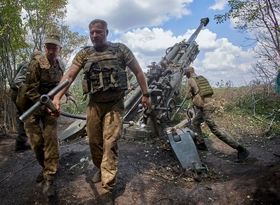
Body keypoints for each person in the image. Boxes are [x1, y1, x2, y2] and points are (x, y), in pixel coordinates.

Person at [52, 19, 151, 202]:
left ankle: (108, 186)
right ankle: (100, 167)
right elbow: (69, 76)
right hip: (94, 104)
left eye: (99, 32)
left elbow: (138, 71)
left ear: (107, 32)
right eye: (92, 33)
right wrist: (57, 97)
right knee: (94, 142)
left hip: (114, 104)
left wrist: (145, 94)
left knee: (110, 142)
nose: (95, 35)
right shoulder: (85, 53)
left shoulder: (120, 50)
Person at [23, 33, 65, 197]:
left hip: (49, 109)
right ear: (44, 47)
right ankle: (45, 167)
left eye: (54, 46)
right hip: (32, 107)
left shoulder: (59, 66)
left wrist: (59, 100)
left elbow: (59, 87)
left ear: (59, 48)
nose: (51, 50)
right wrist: (44, 105)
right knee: (36, 142)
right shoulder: (36, 64)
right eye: (48, 46)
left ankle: (50, 177)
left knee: (51, 141)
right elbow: (30, 90)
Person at [184, 66, 249, 161]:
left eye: (185, 75)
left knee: (215, 129)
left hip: (205, 107)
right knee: (195, 122)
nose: (185, 76)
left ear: (187, 74)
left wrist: (188, 95)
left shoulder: (190, 80)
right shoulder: (201, 78)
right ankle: (201, 143)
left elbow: (187, 96)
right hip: (208, 105)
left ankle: (241, 149)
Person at [10, 62, 31, 152]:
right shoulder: (28, 66)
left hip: (20, 94)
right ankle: (21, 144)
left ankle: (21, 143)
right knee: (25, 117)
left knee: (23, 117)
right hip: (19, 95)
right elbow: (17, 82)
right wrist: (30, 91)